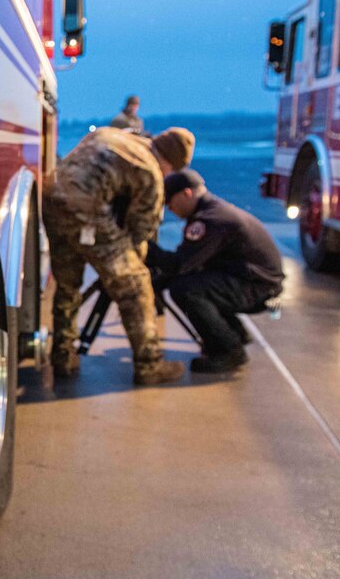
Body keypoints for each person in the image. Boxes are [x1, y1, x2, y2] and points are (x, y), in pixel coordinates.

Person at [44, 126, 196, 385]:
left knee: (68, 285)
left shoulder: (111, 135)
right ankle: (149, 365)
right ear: (170, 163)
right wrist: (129, 265)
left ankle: (63, 356)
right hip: (87, 211)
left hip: (51, 199)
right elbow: (141, 232)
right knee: (135, 286)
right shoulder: (150, 170)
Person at [147, 170, 285, 373]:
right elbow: (191, 263)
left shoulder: (209, 220)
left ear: (186, 193)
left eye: (170, 202)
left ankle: (229, 351)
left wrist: (145, 246)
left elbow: (178, 265)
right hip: (258, 282)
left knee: (186, 290)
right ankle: (233, 333)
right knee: (195, 282)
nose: (170, 208)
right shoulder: (213, 210)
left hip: (259, 288)